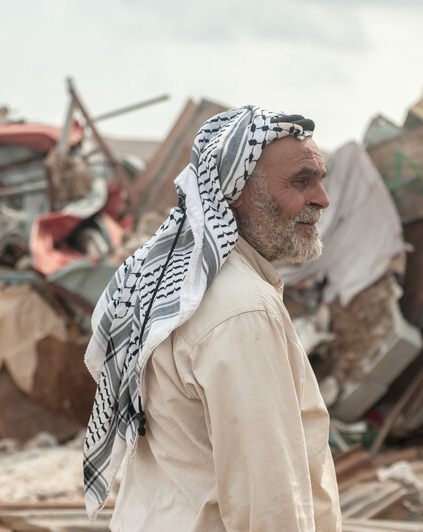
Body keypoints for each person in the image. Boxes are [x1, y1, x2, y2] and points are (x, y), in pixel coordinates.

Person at [83, 106, 342, 531]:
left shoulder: (182, 286)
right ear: (235, 190)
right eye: (301, 181)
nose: (322, 199)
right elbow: (268, 502)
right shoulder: (242, 311)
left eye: (320, 179)